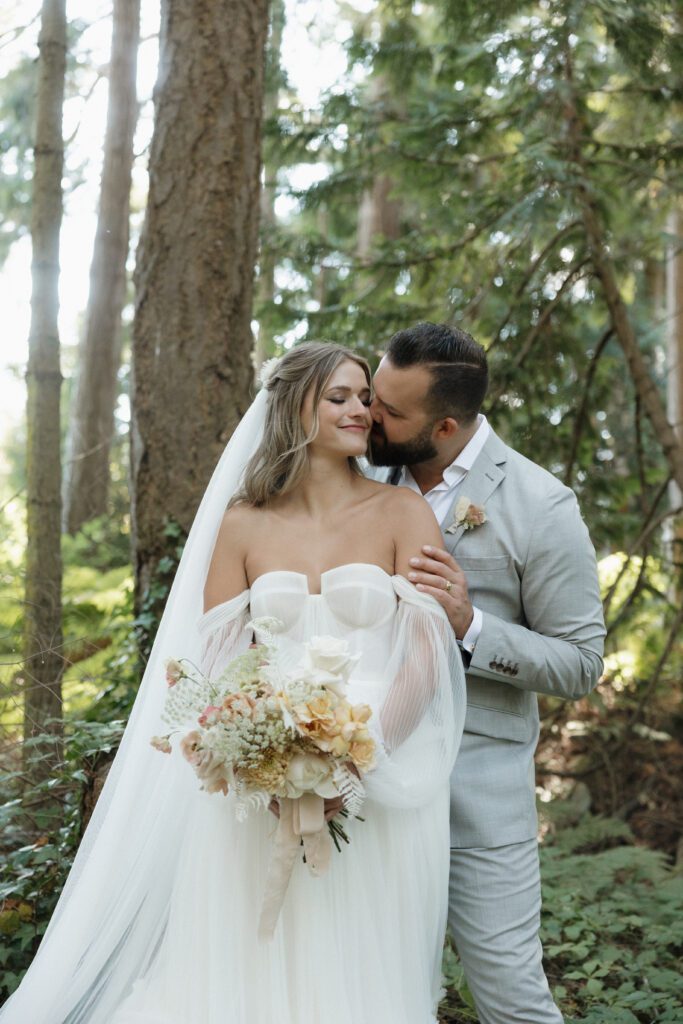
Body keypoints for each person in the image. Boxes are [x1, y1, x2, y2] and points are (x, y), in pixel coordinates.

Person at [1, 342, 466, 1024]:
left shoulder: (401, 514)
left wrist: (354, 769)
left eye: (364, 397)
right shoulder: (242, 523)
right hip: (257, 781)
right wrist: (252, 755)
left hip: (380, 780)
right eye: (338, 396)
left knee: (355, 966)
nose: (359, 409)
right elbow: (214, 659)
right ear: (292, 406)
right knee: (244, 962)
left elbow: (424, 658)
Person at [369, 321, 606, 1024]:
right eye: (373, 395)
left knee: (507, 988)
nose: (367, 416)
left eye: (389, 411)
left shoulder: (541, 504)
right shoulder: (353, 475)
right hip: (362, 771)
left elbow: (580, 663)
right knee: (369, 977)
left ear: (444, 426)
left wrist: (471, 626)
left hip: (479, 782)